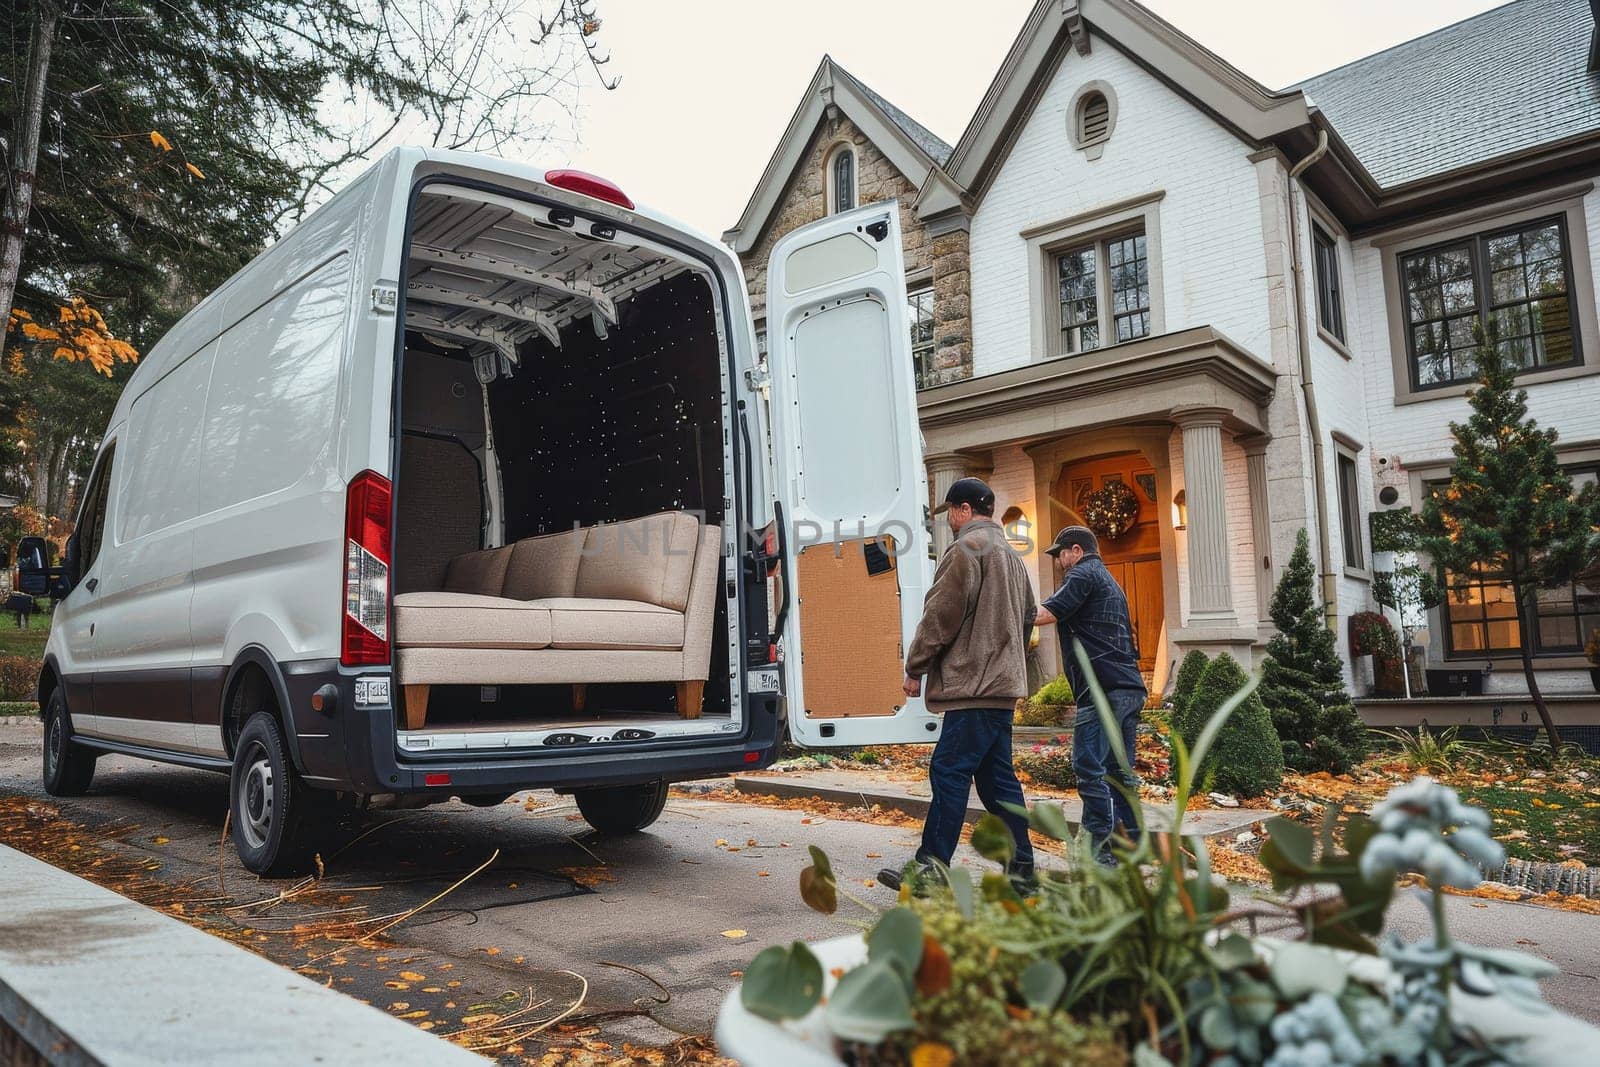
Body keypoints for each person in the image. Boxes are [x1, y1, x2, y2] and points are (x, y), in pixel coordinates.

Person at [878, 478, 1037, 891]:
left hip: (973, 687)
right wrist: (1007, 664)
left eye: (951, 511)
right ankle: (1022, 875)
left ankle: (931, 869)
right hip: (1001, 688)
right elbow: (1029, 616)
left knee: (949, 771)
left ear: (964, 510)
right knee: (996, 782)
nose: (948, 519)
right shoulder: (1012, 556)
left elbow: (940, 616)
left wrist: (916, 667)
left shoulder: (966, 549)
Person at [1034, 525, 1147, 864]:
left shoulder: (1082, 575)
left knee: (1089, 768)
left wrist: (1003, 613)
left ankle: (1099, 855)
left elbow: (1044, 615)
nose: (1059, 562)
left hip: (1101, 689)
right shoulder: (1109, 580)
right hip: (1127, 686)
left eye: (1061, 554)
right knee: (1119, 772)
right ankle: (1133, 849)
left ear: (1077, 551)